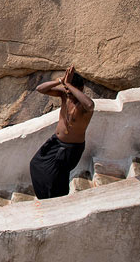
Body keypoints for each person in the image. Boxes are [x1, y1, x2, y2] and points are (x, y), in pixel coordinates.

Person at [30, 65, 94, 199]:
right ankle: (44, 198)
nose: (68, 94)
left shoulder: (83, 106)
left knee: (56, 177)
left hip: (70, 149)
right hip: (56, 142)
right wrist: (61, 81)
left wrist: (70, 87)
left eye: (70, 91)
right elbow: (40, 89)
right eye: (67, 90)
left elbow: (90, 105)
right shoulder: (65, 94)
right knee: (36, 164)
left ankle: (59, 202)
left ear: (79, 89)